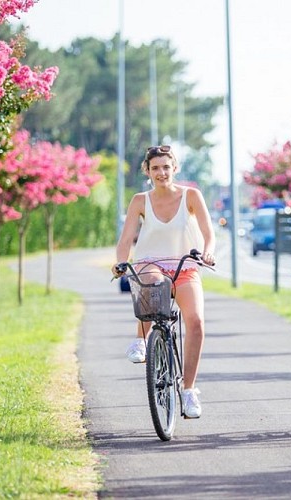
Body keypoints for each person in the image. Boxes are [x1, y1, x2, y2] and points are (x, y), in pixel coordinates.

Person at [112, 144, 216, 418]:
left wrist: (208, 252)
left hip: (185, 264)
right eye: (155, 168)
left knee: (195, 321)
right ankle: (141, 339)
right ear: (147, 171)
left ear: (175, 168)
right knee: (153, 284)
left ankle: (189, 390)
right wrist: (121, 262)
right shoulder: (140, 200)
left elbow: (209, 234)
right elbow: (125, 241)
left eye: (166, 167)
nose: (161, 172)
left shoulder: (191, 196)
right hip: (151, 263)